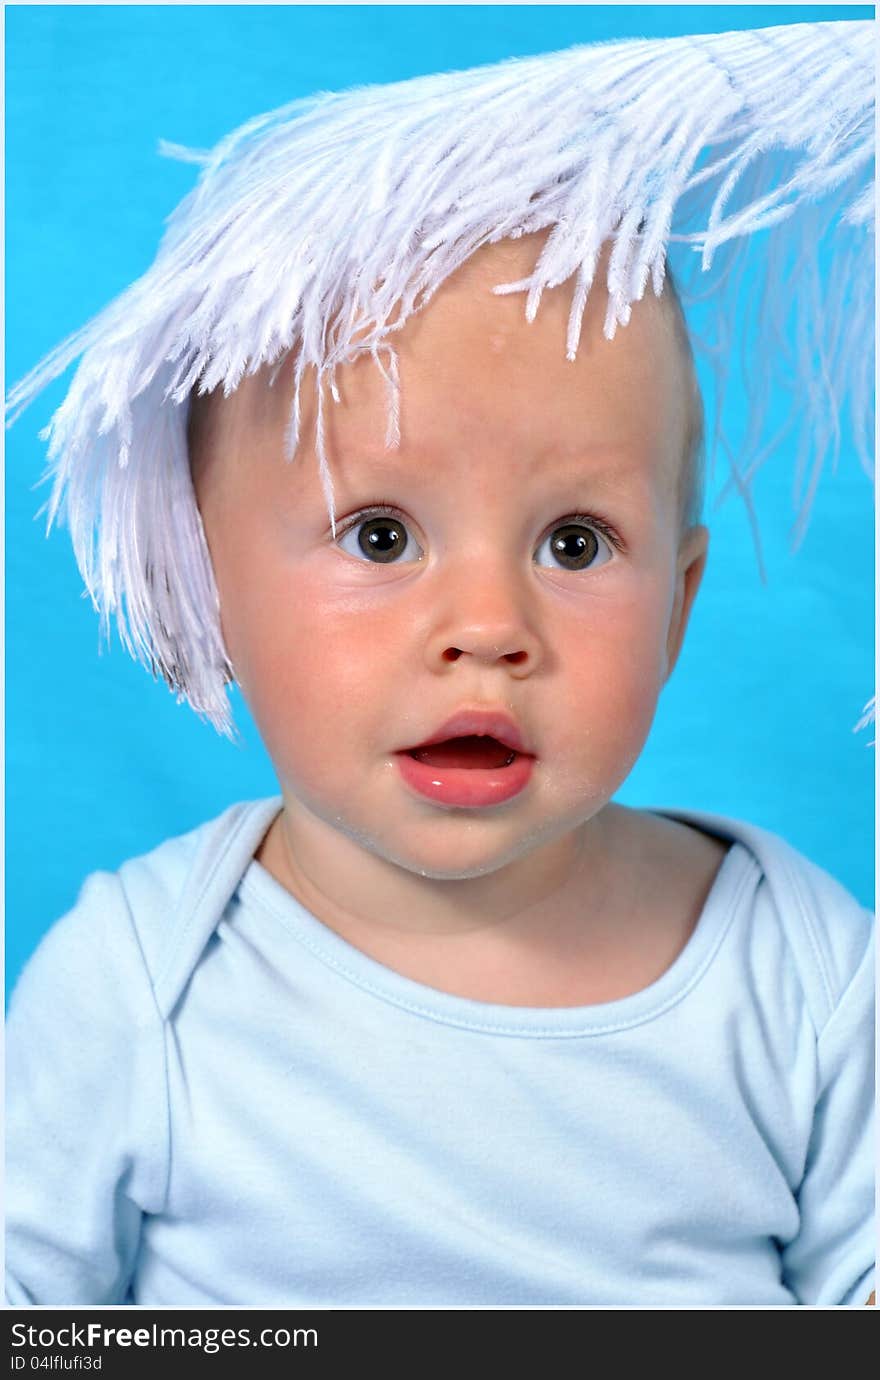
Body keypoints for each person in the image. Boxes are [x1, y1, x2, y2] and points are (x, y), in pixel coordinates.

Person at [5, 23, 874, 1308]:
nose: (487, 623)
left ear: (678, 605)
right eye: (380, 535)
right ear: (212, 581)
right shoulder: (142, 982)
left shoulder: (800, 972)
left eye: (574, 542)